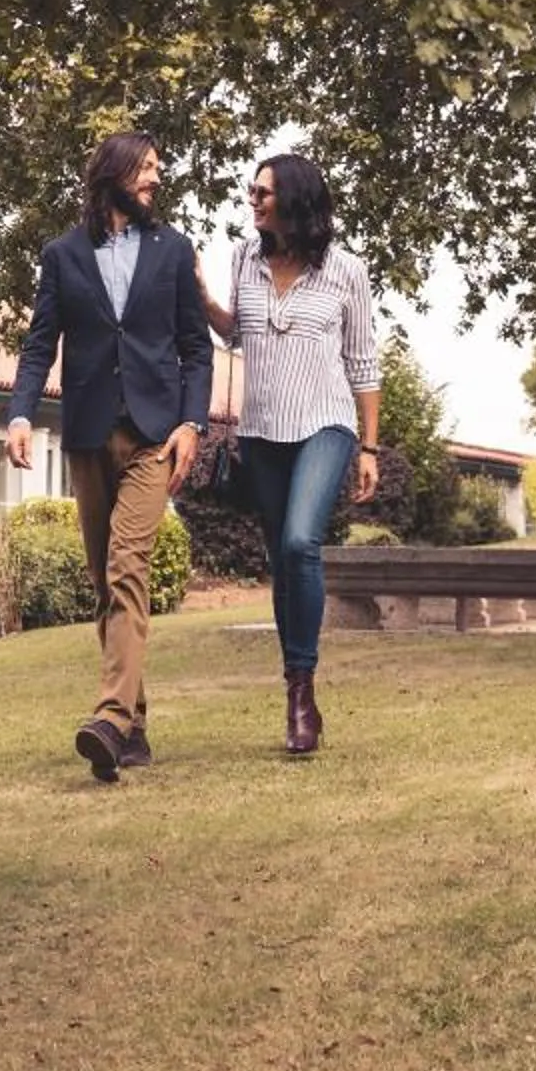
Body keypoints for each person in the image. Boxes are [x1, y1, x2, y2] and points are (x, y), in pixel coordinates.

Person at [7, 131, 214, 782]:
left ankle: (108, 717)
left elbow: (196, 348)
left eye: (158, 166)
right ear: (115, 175)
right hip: (90, 432)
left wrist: (191, 422)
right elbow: (41, 343)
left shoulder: (174, 251)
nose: (156, 178)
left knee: (128, 568)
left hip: (155, 434)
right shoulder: (63, 255)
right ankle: (134, 729)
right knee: (105, 581)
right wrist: (19, 410)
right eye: (147, 168)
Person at [200, 151, 380, 757]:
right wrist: (200, 298)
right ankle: (295, 686)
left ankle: (303, 690)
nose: (252, 199)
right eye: (251, 190)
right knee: (281, 559)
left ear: (296, 200)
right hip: (262, 429)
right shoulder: (243, 258)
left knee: (303, 542)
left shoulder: (346, 271)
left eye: (265, 192)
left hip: (325, 424)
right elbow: (237, 334)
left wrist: (370, 446)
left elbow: (364, 361)